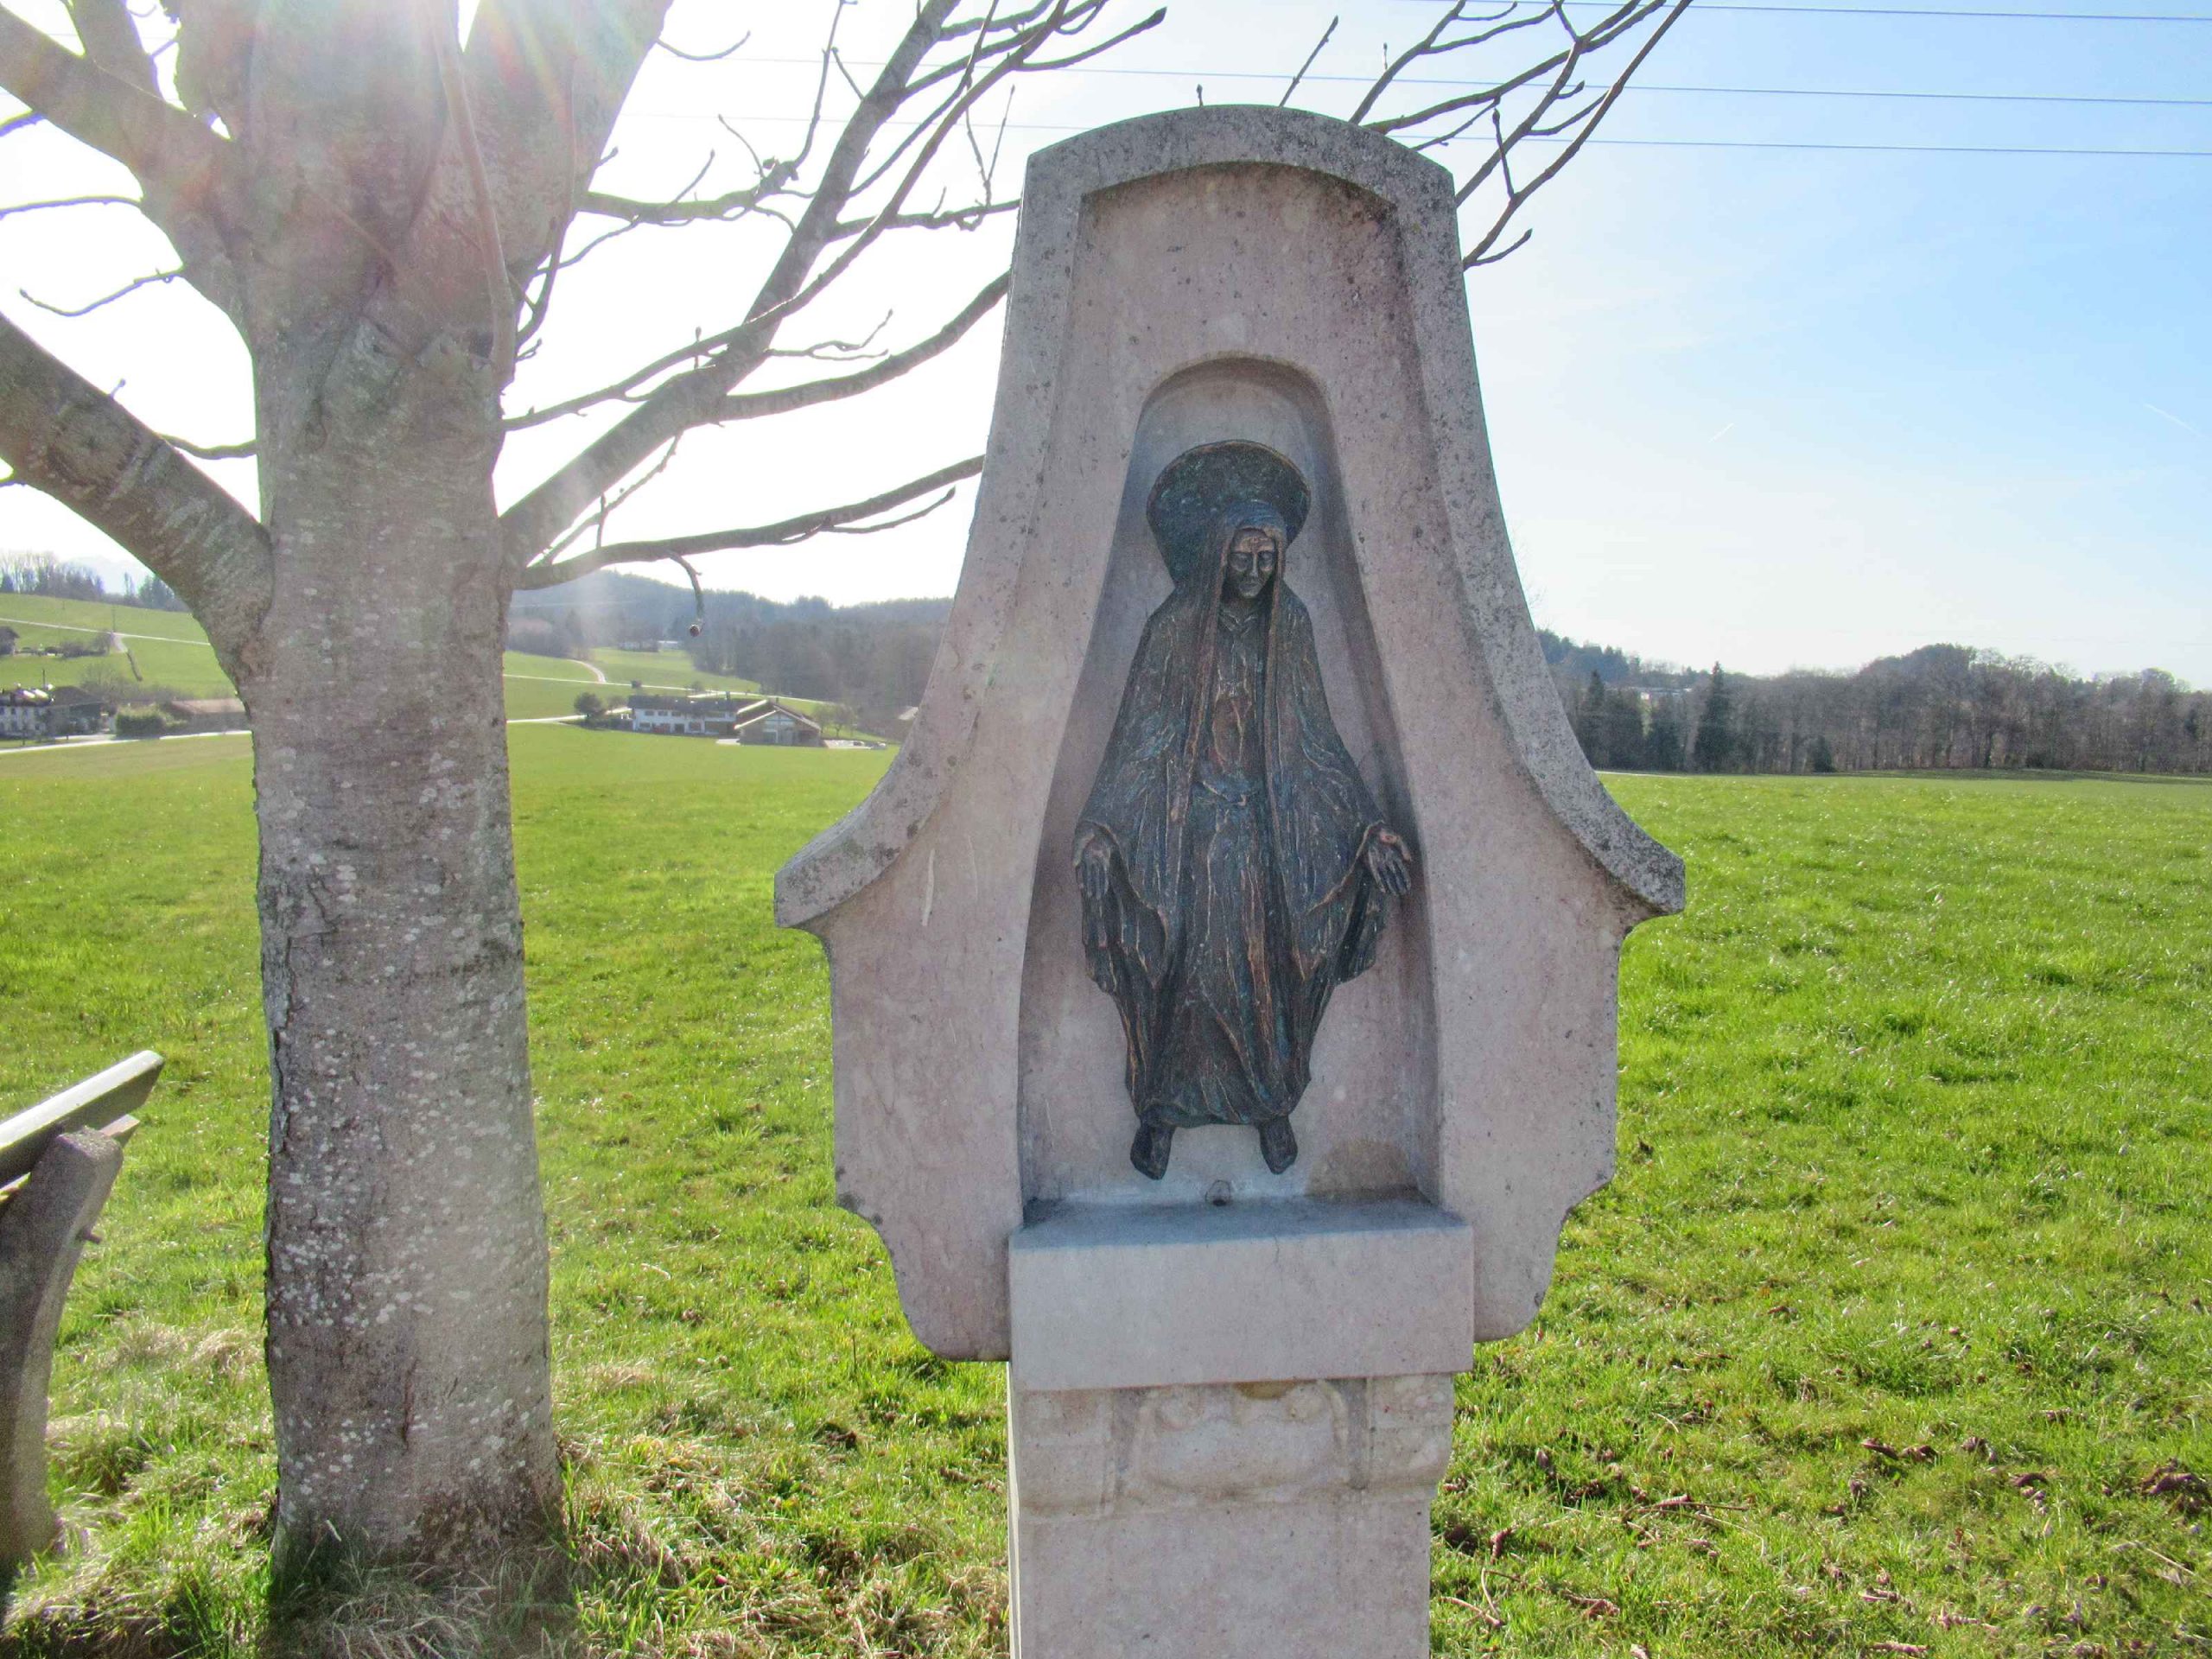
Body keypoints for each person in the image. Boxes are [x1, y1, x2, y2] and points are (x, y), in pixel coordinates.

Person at [1075, 442, 1412, 1179]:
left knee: (1265, 974)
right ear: (1217, 551)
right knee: (1185, 977)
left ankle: (1271, 1104)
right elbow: (1140, 739)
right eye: (1243, 556)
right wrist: (1102, 830)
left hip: (1266, 837)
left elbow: (1316, 740)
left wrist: (1365, 831)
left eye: (1268, 558)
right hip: (1188, 837)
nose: (1256, 571)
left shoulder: (1290, 626)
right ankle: (1161, 1113)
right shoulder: (1174, 628)